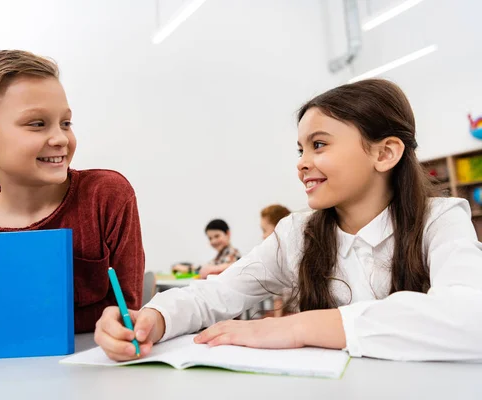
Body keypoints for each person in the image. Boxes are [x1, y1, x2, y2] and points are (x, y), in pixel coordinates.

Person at [95, 78, 482, 362]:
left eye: (319, 144)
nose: (301, 162)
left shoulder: (441, 220)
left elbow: (471, 316)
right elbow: (215, 293)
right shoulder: (296, 234)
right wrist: (154, 318)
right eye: (300, 148)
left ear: (384, 154)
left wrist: (298, 327)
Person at [0, 50, 145, 357]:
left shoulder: (106, 196)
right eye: (37, 124)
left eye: (66, 123)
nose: (61, 139)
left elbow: (128, 310)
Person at [171, 219, 241, 279]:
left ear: (228, 234)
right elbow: (206, 267)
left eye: (217, 236)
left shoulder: (232, 253)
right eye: (210, 238)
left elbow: (225, 268)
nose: (213, 241)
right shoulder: (220, 255)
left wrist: (188, 269)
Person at [259, 204, 291, 317]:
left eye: (264, 230)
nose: (263, 236)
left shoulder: (282, 258)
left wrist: (277, 321)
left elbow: (279, 299)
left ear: (279, 228)